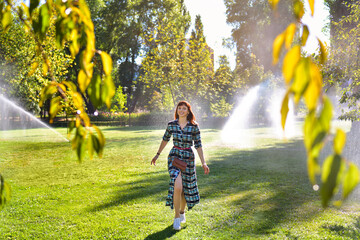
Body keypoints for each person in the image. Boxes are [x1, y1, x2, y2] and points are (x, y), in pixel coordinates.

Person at [151, 101, 210, 230]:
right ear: (177, 110)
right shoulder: (171, 125)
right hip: (175, 157)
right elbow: (165, 139)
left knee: (184, 188)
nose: (182, 110)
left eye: (184, 109)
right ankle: (177, 217)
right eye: (180, 108)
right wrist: (157, 154)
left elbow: (198, 145)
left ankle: (182, 212)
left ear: (188, 111)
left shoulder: (194, 126)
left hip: (188, 158)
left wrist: (203, 162)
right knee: (177, 186)